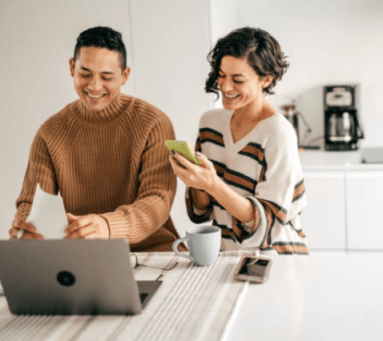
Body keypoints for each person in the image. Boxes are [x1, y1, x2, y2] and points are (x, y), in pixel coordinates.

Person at [9, 26, 183, 252]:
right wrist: (27, 227)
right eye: (85, 73)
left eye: (106, 77)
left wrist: (107, 226)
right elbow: (32, 203)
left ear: (124, 76)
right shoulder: (49, 133)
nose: (94, 86)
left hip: (151, 252)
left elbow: (157, 201)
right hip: (81, 257)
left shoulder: (154, 123)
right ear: (72, 67)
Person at [170, 27, 308, 255]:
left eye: (238, 79)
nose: (224, 86)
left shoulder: (277, 133)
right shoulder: (210, 123)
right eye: (221, 75)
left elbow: (267, 226)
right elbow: (201, 211)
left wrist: (213, 184)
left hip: (275, 259)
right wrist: (196, 180)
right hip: (225, 256)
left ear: (266, 80)